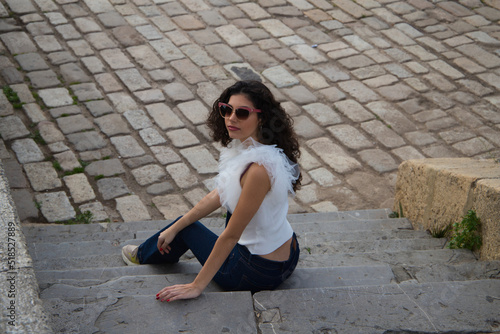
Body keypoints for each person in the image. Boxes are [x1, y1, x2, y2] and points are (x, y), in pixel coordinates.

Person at [122, 80, 302, 302]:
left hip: (254, 273)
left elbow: (231, 235)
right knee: (184, 224)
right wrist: (175, 227)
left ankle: (142, 255)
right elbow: (219, 194)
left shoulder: (257, 171)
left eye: (242, 113)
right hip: (288, 254)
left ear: (262, 117)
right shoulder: (261, 149)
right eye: (226, 110)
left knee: (190, 230)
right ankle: (160, 242)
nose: (231, 118)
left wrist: (196, 286)